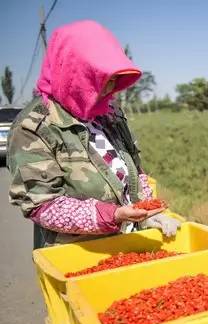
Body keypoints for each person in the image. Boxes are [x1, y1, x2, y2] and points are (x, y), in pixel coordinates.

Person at [7, 20, 181, 248]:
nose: (109, 90)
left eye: (113, 81)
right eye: (100, 81)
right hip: (80, 253)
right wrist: (114, 215)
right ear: (73, 72)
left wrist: (148, 211)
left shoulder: (108, 112)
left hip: (128, 243)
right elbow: (42, 205)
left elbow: (133, 170)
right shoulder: (35, 127)